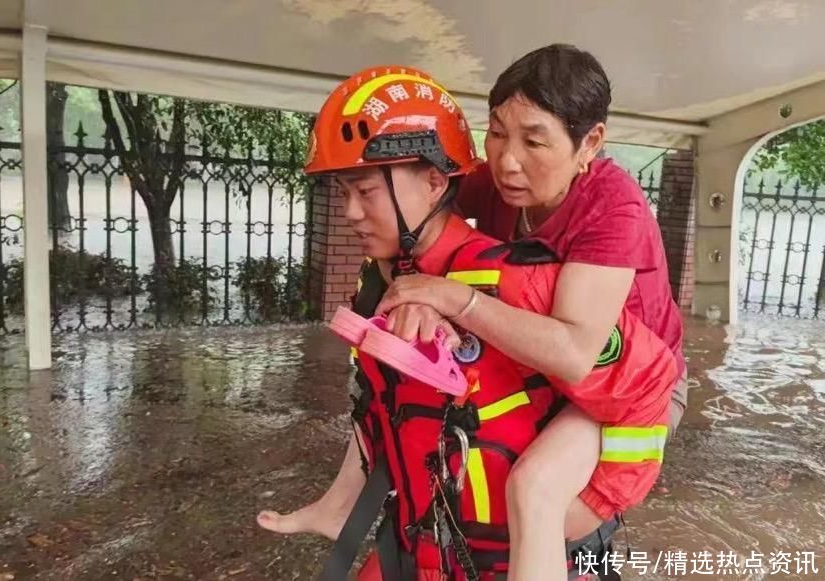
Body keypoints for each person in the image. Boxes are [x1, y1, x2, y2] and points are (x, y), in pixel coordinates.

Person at [258, 65, 677, 581]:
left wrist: (455, 298)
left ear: (589, 142)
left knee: (536, 491)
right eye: (497, 133)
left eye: (534, 141)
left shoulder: (613, 212)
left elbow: (576, 352)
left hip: (624, 382)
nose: (507, 160)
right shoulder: (487, 186)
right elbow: (429, 199)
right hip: (555, 363)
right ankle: (341, 504)